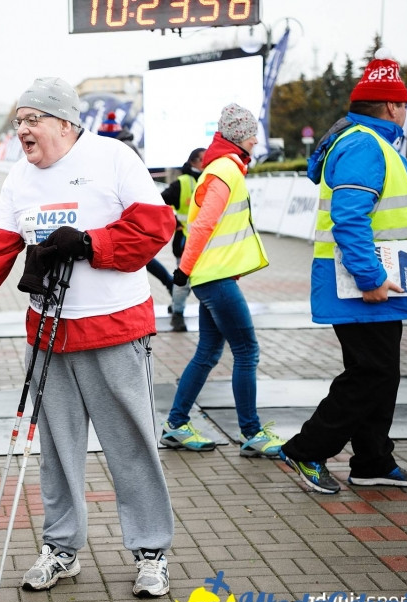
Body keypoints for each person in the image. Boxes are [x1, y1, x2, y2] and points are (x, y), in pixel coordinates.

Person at [0, 77, 177, 598]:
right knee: (55, 450)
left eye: (33, 119)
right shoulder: (19, 179)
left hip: (115, 328)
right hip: (49, 335)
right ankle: (61, 548)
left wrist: (91, 243)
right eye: (19, 121)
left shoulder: (112, 158)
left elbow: (154, 227)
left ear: (65, 123)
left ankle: (151, 552)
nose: (23, 130)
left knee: (132, 446)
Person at [280, 50, 407, 494]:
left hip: (380, 285)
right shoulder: (364, 145)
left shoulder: (368, 143)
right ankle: (308, 449)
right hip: (366, 286)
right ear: (391, 107)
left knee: (377, 372)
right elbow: (350, 217)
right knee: (373, 374)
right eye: (403, 105)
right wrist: (369, 279)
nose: (405, 112)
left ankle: (372, 460)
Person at [161, 104, 282, 459]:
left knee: (209, 352)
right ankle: (252, 432)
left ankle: (176, 425)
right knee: (247, 351)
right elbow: (202, 225)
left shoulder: (223, 168)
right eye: (252, 133)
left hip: (214, 275)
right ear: (240, 136)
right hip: (213, 277)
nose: (257, 139)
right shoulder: (225, 170)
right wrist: (183, 270)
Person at [97, 111, 175, 296]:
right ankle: (168, 283)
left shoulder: (122, 148)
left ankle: (167, 283)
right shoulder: (124, 144)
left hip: (130, 206)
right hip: (127, 204)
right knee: (137, 254)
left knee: (136, 253)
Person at [161, 148, 205, 332]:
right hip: (185, 242)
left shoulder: (211, 178)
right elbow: (159, 202)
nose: (208, 160)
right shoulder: (182, 183)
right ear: (194, 162)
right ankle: (177, 315)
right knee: (183, 282)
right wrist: (174, 223)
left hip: (209, 243)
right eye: (204, 158)